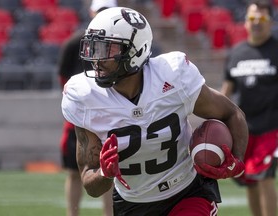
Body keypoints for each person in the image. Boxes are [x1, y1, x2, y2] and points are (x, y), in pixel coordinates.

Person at [61, 7, 248, 216]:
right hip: (132, 202)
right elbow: (89, 182)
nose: (96, 59)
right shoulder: (84, 96)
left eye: (107, 49)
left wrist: (237, 160)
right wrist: (105, 172)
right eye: (94, 48)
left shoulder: (172, 75)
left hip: (186, 192)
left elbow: (232, 113)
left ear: (136, 51)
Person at [58, 1, 117, 216]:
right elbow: (63, 79)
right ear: (92, 12)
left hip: (110, 115)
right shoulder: (74, 43)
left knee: (108, 171)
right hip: (81, 117)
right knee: (75, 171)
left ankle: (109, 213)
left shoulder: (119, 44)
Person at [221, 1, 278, 216]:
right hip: (245, 129)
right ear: (245, 22)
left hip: (271, 128)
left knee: (264, 176)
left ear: (270, 22)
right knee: (250, 180)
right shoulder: (237, 52)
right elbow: (226, 91)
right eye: (252, 19)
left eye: (261, 19)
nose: (256, 23)